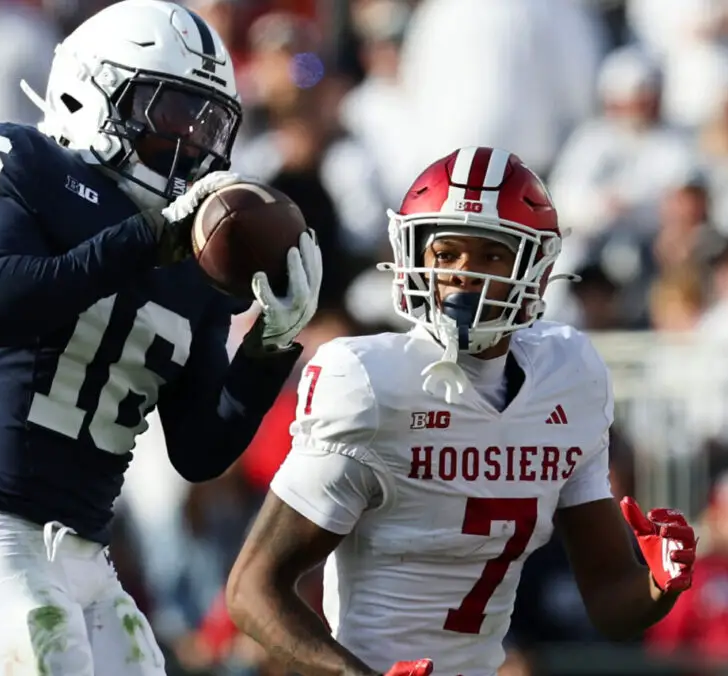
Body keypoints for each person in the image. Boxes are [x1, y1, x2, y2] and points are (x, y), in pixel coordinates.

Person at [0, 2, 322, 675]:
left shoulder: (198, 263)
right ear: (88, 90)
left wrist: (269, 346)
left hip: (88, 553)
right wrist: (142, 241)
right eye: (170, 116)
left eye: (209, 126)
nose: (191, 148)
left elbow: (200, 449)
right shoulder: (29, 162)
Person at [224, 147, 696, 676]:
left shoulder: (568, 375)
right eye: (446, 255)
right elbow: (252, 589)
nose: (464, 275)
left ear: (535, 268)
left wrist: (660, 583)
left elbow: (611, 600)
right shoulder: (369, 381)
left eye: (491, 255)